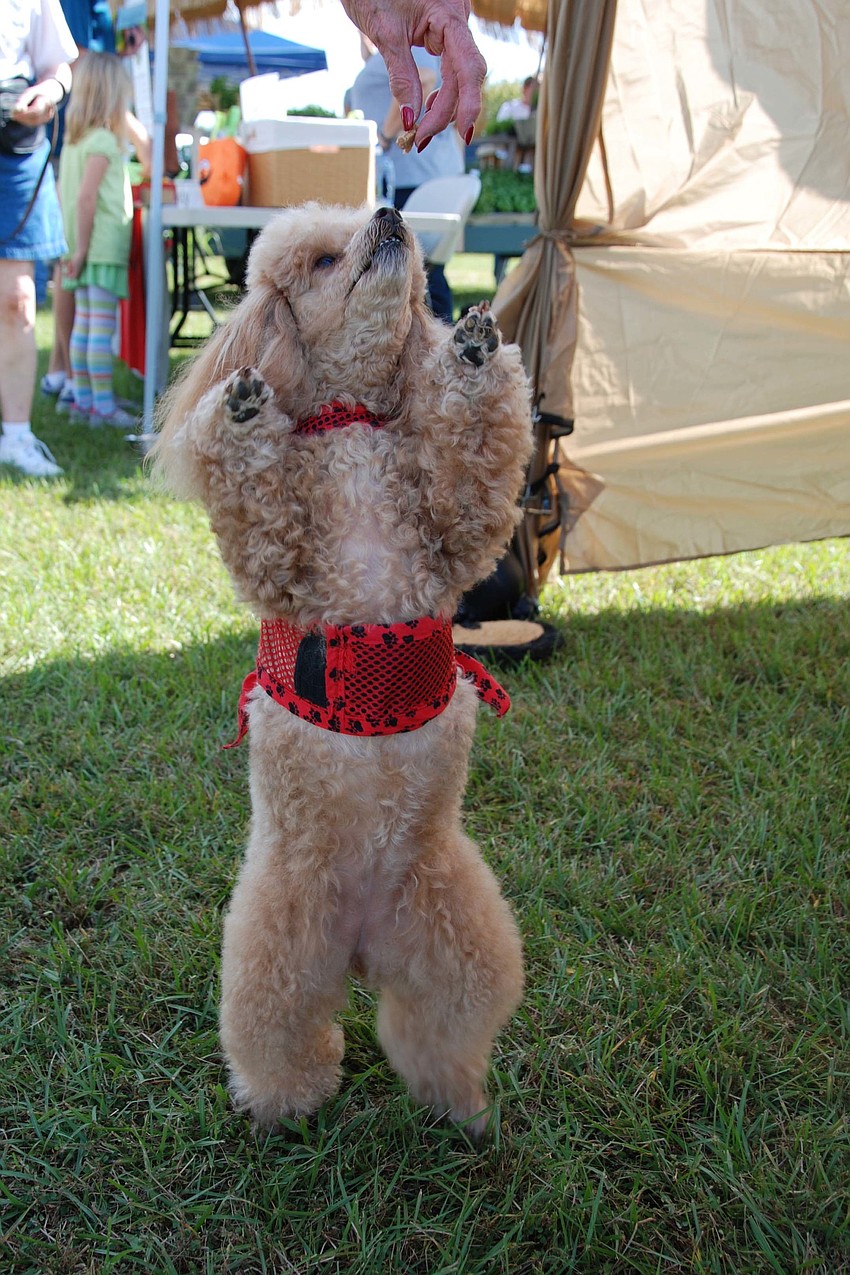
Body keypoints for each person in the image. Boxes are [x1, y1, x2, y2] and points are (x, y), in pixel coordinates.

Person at [0, 0, 76, 477]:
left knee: (18, 301)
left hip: (15, 145)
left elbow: (58, 68)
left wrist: (49, 92)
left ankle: (16, 436)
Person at [349, 37, 464, 321]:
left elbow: (422, 78)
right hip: (412, 173)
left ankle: (436, 341)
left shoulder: (410, 36)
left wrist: (386, 135)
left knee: (419, 270)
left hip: (416, 173)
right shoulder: (393, 44)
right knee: (420, 270)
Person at [58, 51, 136, 426]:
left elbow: (69, 196)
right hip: (100, 250)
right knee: (100, 331)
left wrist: (75, 247)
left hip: (82, 247)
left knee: (84, 328)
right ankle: (102, 408)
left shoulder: (75, 143)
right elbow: (86, 198)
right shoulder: (103, 142)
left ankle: (83, 402)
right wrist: (85, 249)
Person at [339, 0, 486, 149]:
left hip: (413, 161)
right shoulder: (382, 55)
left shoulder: (410, 30)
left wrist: (385, 136)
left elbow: (424, 79)